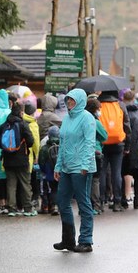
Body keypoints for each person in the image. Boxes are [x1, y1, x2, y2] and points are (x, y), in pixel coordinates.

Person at [52, 88, 97, 253]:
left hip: (81, 168)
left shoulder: (87, 118)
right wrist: (58, 166)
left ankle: (86, 241)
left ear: (80, 101)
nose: (69, 102)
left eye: (72, 99)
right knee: (62, 201)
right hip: (66, 167)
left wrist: (85, 165)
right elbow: (62, 144)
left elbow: (90, 143)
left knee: (83, 203)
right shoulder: (66, 118)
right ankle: (68, 240)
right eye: (68, 99)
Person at [0, 97, 35, 216]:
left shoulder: (4, 125)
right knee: (25, 184)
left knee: (11, 185)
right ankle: (28, 208)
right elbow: (31, 141)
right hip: (22, 159)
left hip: (8, 160)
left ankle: (12, 209)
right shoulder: (23, 124)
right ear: (21, 112)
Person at [123, 90, 138, 209]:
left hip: (125, 147)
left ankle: (123, 200)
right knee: (137, 175)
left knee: (123, 173)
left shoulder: (123, 112)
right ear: (133, 99)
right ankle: (137, 200)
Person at [38, 125, 60, 215]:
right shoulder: (62, 146)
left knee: (49, 189)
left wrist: (44, 171)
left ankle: (48, 206)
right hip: (61, 173)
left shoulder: (44, 148)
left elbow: (41, 162)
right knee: (58, 189)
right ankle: (57, 206)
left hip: (49, 173)